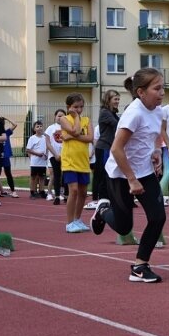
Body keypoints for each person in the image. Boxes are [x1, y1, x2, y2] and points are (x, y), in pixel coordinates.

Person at [90, 68, 167, 283]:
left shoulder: (158, 110)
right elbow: (116, 149)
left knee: (158, 217)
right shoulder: (133, 113)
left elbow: (154, 136)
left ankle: (140, 266)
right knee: (124, 227)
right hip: (120, 174)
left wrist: (156, 151)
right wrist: (131, 179)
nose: (162, 93)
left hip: (145, 171)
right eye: (157, 88)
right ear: (141, 92)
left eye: (163, 87)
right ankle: (103, 210)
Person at [59, 93, 93, 233]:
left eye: (81, 107)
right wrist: (76, 119)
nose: (79, 110)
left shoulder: (87, 120)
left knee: (83, 192)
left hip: (83, 161)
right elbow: (76, 130)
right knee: (73, 190)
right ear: (69, 107)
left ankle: (78, 219)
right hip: (70, 161)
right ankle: (69, 222)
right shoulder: (64, 119)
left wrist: (71, 137)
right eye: (75, 107)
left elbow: (90, 138)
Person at [88, 90, 120, 210]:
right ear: (108, 100)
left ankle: (106, 197)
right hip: (104, 147)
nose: (117, 101)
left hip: (110, 147)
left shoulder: (113, 113)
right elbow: (118, 125)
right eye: (115, 99)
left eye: (118, 99)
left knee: (109, 174)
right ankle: (97, 199)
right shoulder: (105, 113)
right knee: (101, 174)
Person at [45, 109, 66, 205]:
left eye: (62, 116)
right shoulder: (50, 128)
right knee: (57, 175)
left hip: (66, 155)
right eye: (59, 115)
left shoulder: (68, 127)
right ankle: (57, 196)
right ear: (55, 116)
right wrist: (56, 154)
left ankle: (66, 195)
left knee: (66, 176)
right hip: (54, 156)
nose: (60, 117)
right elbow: (48, 143)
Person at [25, 120, 50, 199]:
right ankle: (32, 192)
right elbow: (28, 149)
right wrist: (37, 154)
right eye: (37, 126)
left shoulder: (45, 138)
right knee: (33, 177)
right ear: (34, 129)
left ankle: (41, 191)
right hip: (35, 162)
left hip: (43, 162)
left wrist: (46, 154)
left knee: (42, 177)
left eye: (40, 126)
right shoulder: (32, 138)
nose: (39, 128)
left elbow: (47, 147)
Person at [0, 117, 19, 198]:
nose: (2, 125)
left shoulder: (7, 132)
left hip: (5, 157)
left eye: (3, 124)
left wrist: (7, 118)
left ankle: (13, 191)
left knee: (8, 174)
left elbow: (15, 124)